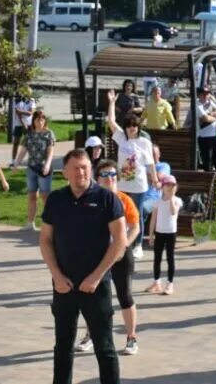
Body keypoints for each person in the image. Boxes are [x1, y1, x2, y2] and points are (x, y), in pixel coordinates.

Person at [41, 149, 126, 384]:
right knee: (63, 348)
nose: (82, 172)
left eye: (86, 167)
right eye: (76, 168)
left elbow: (120, 241)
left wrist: (96, 276)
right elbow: (45, 239)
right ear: (65, 172)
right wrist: (56, 276)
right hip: (64, 285)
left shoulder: (107, 199)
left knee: (105, 348)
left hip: (96, 286)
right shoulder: (56, 200)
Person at [77, 159, 140, 356]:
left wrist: (125, 245)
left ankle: (131, 337)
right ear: (97, 179)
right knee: (91, 295)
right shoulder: (91, 199)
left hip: (121, 254)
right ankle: (90, 335)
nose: (110, 179)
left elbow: (135, 226)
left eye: (113, 175)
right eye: (105, 175)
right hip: (98, 253)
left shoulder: (124, 199)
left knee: (124, 295)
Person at [105, 90, 157, 257]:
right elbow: (111, 121)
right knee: (120, 212)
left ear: (138, 127)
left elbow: (150, 163)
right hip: (122, 183)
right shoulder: (121, 138)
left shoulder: (144, 142)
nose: (131, 128)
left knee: (137, 214)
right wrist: (112, 103)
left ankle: (138, 244)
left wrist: (154, 179)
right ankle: (121, 241)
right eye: (128, 126)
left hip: (139, 184)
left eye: (134, 125)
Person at [13, 109, 57, 231]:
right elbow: (23, 150)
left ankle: (50, 222)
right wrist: (16, 163)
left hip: (44, 168)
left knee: (45, 195)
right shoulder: (29, 134)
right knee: (32, 195)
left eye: (42, 119)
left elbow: (50, 151)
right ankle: (30, 223)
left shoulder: (49, 133)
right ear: (34, 121)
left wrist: (47, 164)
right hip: (31, 168)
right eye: (38, 119)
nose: (40, 122)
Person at [146, 175, 180, 295]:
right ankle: (157, 282)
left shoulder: (177, 200)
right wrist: (151, 235)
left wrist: (171, 198)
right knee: (157, 258)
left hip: (171, 233)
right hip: (159, 233)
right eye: (167, 185)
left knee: (170, 258)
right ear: (163, 187)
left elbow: (173, 212)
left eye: (172, 185)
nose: (169, 187)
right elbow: (153, 219)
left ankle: (170, 284)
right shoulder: (157, 202)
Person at [194, 87, 216, 173]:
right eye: (204, 94)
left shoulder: (210, 102)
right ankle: (208, 176)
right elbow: (205, 119)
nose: (206, 95)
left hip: (214, 135)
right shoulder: (197, 104)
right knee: (208, 158)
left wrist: (210, 114)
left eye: (207, 93)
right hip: (204, 136)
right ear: (199, 95)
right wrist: (215, 117)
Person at [12, 89, 36, 161]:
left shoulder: (32, 100)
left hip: (29, 124)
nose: (28, 95)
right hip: (19, 124)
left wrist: (23, 112)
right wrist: (23, 123)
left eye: (29, 93)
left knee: (30, 142)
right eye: (26, 93)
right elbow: (18, 113)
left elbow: (31, 112)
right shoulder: (17, 101)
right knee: (16, 142)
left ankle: (32, 159)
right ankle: (13, 160)